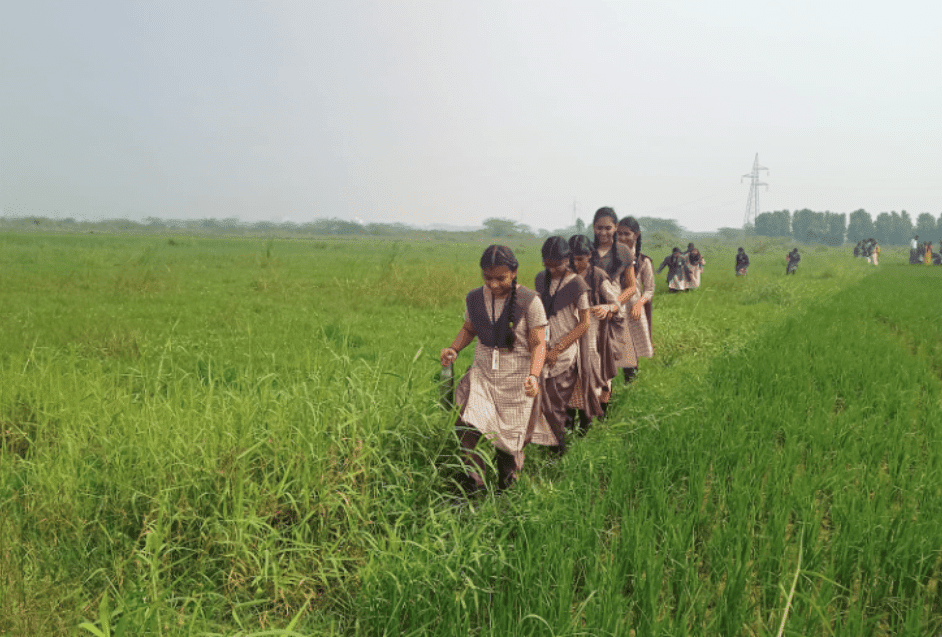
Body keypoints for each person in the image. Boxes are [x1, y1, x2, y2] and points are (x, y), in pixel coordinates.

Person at [441, 245, 552, 494]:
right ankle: (473, 481)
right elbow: (469, 328)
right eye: (487, 278)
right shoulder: (475, 298)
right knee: (469, 422)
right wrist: (454, 349)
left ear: (514, 273)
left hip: (518, 377)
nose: (493, 284)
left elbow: (538, 344)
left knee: (509, 436)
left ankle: (509, 482)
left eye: (500, 278)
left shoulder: (531, 301)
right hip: (483, 372)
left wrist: (534, 375)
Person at [535, 237, 591, 456]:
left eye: (557, 265)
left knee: (556, 405)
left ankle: (557, 454)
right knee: (543, 402)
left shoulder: (577, 284)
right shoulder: (541, 279)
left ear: (567, 260)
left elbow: (584, 323)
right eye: (547, 264)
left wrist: (557, 349)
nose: (552, 269)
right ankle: (549, 446)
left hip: (564, 352)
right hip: (543, 348)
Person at [566, 234, 620, 434]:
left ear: (589, 256)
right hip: (568, 332)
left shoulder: (597, 276)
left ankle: (586, 425)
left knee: (588, 375)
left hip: (592, 335)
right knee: (568, 378)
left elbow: (617, 304)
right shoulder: (563, 276)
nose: (575, 263)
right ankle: (568, 425)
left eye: (580, 259)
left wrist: (607, 308)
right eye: (572, 258)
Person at [616, 217, 654, 384]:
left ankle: (630, 388)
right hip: (615, 306)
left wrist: (639, 304)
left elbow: (649, 289)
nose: (622, 237)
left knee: (632, 350)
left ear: (636, 235)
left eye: (627, 234)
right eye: (619, 234)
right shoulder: (610, 258)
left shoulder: (643, 261)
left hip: (633, 310)